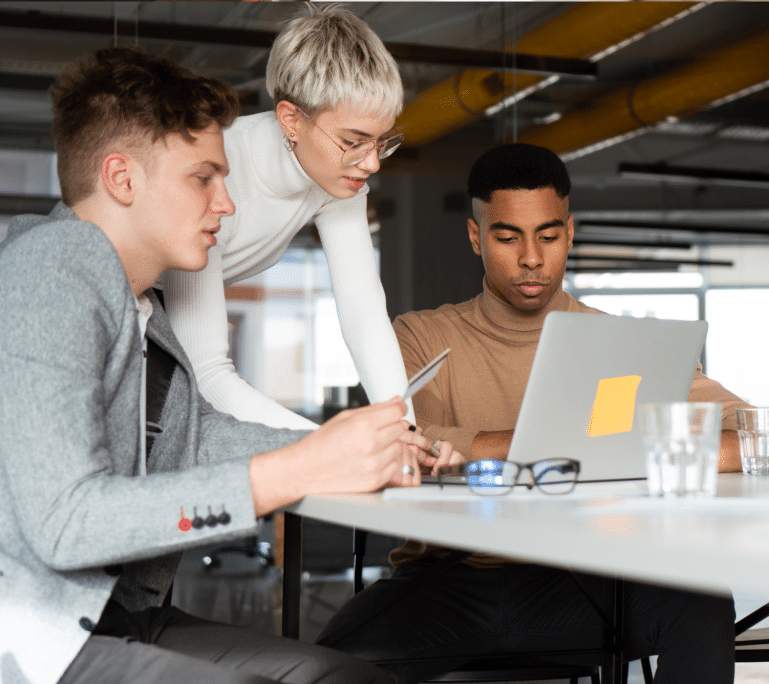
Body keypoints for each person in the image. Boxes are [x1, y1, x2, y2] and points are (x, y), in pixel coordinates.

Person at [0, 46, 445, 684]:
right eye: (202, 178)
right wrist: (301, 464)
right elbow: (67, 525)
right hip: (34, 634)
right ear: (123, 179)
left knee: (346, 677)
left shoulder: (144, 309)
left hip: (119, 616)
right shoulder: (52, 270)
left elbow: (198, 436)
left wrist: (359, 450)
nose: (226, 204)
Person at [316, 143, 752, 683]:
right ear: (477, 237)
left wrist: (634, 448)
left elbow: (748, 431)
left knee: (702, 601)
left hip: (582, 582)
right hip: (445, 582)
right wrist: (569, 448)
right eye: (507, 237)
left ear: (569, 233)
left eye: (548, 236)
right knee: (321, 668)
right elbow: (408, 438)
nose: (530, 258)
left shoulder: (621, 342)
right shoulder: (420, 335)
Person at [161, 6, 412, 430]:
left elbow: (364, 313)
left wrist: (405, 430)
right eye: (354, 142)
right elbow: (206, 372)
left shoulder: (337, 177)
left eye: (382, 143)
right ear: (291, 119)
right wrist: (330, 447)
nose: (371, 164)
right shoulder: (217, 172)